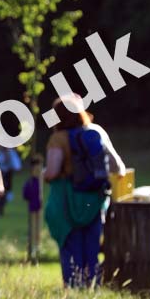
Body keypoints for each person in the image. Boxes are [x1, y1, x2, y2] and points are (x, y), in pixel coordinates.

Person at [43, 94, 125, 288]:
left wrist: (44, 174)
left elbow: (53, 171)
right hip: (94, 199)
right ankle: (93, 286)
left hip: (67, 200)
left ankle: (74, 288)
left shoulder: (58, 139)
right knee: (92, 246)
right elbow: (118, 168)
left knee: (71, 244)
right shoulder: (96, 132)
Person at [0, 145, 22, 215]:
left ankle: (0, 206)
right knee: (0, 192)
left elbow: (17, 166)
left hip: (7, 175)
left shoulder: (10, 152)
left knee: (7, 194)